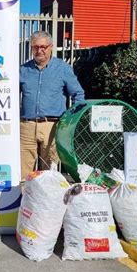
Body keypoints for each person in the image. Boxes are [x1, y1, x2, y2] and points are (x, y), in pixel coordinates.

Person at [20, 31, 85, 183]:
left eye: (43, 46)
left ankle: (46, 205)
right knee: (23, 172)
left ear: (51, 47)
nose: (39, 50)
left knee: (50, 172)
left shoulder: (63, 69)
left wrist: (72, 121)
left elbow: (78, 94)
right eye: (35, 47)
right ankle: (24, 203)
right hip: (26, 126)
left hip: (53, 126)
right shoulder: (23, 70)